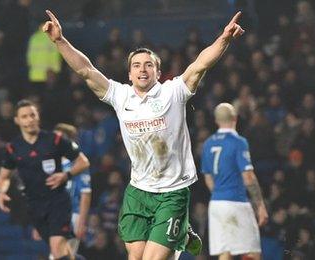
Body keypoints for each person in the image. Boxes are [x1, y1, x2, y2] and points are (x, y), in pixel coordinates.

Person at [42, 8, 245, 260]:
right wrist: (60, 41)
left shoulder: (173, 92)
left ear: (158, 73)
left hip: (172, 191)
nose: (142, 69)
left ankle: (178, 228)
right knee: (135, 256)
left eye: (149, 65)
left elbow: (200, 64)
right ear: (129, 74)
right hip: (138, 191)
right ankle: (181, 232)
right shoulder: (120, 96)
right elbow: (86, 70)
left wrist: (224, 38)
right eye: (136, 65)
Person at [0, 100, 91, 260]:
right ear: (17, 120)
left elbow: (83, 161)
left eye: (32, 115)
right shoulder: (13, 148)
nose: (29, 119)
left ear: (38, 117)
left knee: (57, 248)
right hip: (35, 206)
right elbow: (3, 177)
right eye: (24, 116)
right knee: (63, 251)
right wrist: (1, 191)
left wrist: (66, 175)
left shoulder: (54, 140)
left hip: (58, 202)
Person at [201, 103, 268, 259]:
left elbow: (208, 177)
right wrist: (260, 205)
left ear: (216, 121)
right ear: (235, 118)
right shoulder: (238, 142)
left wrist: (220, 194)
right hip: (236, 202)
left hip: (217, 204)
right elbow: (248, 176)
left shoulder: (208, 143)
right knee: (252, 251)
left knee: (226, 252)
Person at [54, 123, 92, 255]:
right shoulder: (52, 163)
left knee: (60, 254)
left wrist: (81, 221)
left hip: (72, 215)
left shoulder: (78, 164)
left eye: (61, 138)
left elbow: (85, 194)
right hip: (56, 215)